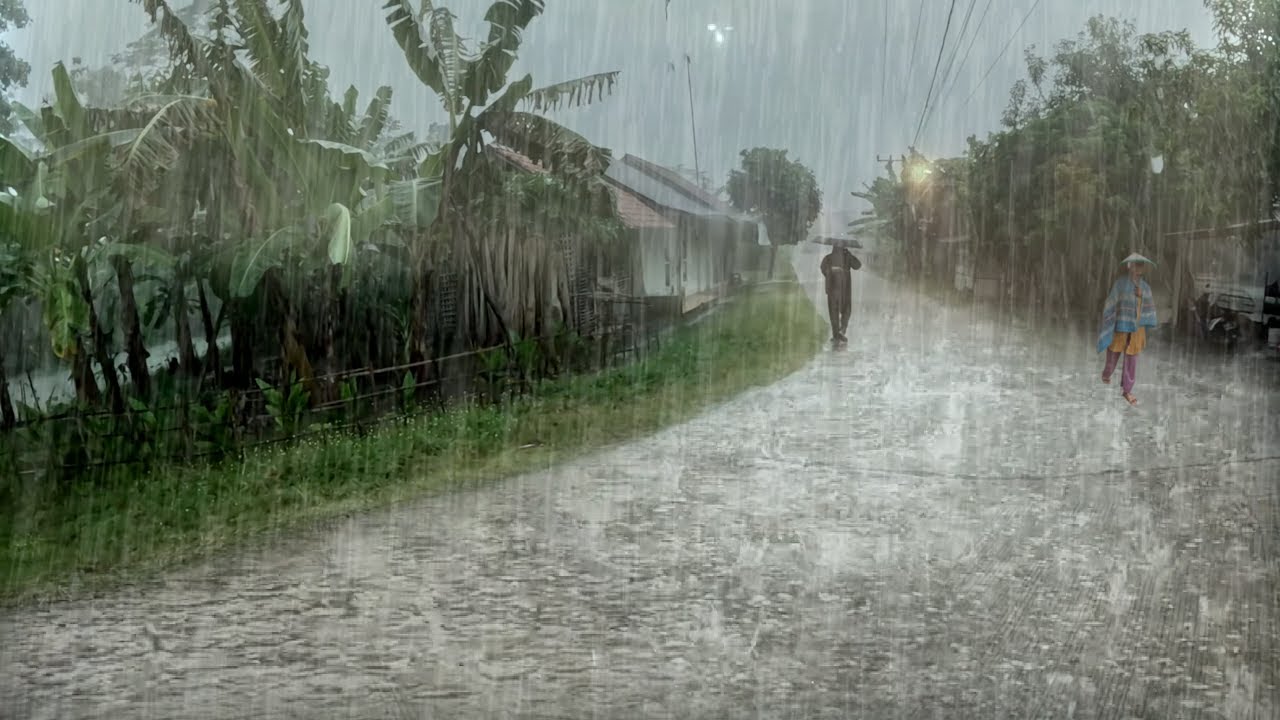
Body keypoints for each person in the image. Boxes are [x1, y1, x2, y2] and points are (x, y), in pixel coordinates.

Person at [1097, 252, 1158, 406]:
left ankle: (1127, 390)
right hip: (1121, 326)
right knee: (1113, 352)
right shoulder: (1120, 283)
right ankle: (1107, 373)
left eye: (1141, 265)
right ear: (1129, 266)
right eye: (1136, 265)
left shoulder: (1145, 287)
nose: (1139, 268)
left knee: (1131, 360)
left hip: (1137, 330)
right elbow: (1111, 301)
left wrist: (1141, 296)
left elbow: (1149, 306)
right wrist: (1109, 316)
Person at [820, 245, 861, 343]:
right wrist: (850, 255)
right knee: (846, 309)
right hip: (845, 289)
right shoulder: (847, 257)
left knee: (833, 311)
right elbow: (858, 265)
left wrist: (830, 274)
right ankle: (842, 330)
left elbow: (822, 268)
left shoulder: (828, 258)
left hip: (832, 289)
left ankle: (836, 334)